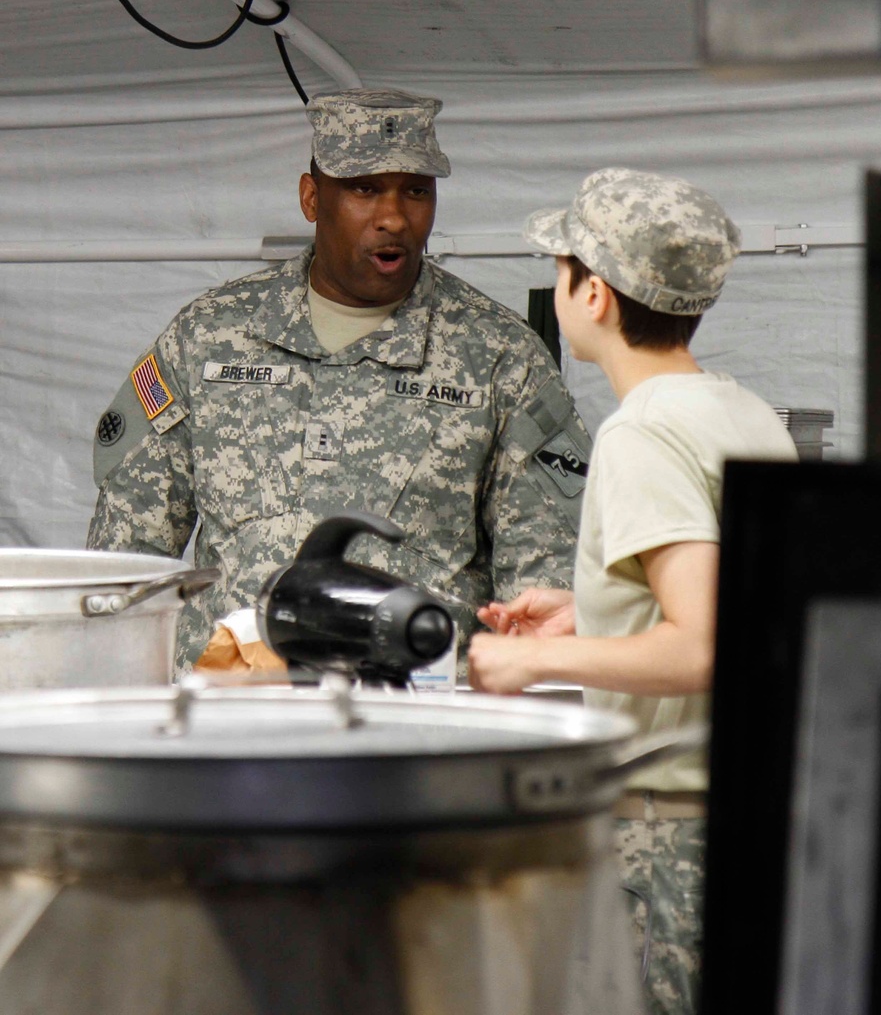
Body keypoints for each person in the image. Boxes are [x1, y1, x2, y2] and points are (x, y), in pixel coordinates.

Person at [88, 88, 591, 669]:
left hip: (413, 720)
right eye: (364, 189)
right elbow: (126, 562)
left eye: (416, 191)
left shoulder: (500, 356)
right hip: (232, 716)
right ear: (311, 197)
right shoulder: (209, 335)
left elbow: (546, 579)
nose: (394, 217)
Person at [467, 167, 798, 1015]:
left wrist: (523, 664)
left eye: (563, 264)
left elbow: (703, 644)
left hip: (664, 833)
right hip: (734, 821)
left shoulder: (642, 431)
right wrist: (596, 606)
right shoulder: (741, 412)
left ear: (596, 295)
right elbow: (746, 603)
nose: (556, 282)